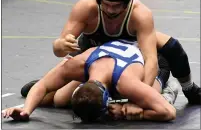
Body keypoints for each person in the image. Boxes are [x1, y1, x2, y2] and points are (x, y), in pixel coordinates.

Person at [21, 0, 200, 104]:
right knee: (59, 100)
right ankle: (53, 86)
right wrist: (60, 45)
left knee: (171, 47)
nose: (111, 10)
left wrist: (139, 96)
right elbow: (59, 49)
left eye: (117, 5)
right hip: (96, 52)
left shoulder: (140, 13)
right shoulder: (86, 8)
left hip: (129, 53)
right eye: (106, 4)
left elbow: (151, 59)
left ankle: (188, 87)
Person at [2, 39, 176, 122]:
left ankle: (168, 88)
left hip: (152, 62)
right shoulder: (78, 65)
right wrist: (26, 111)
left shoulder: (126, 83)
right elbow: (42, 85)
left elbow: (169, 112)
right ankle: (59, 82)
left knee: (145, 99)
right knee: (60, 99)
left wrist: (127, 111)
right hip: (102, 57)